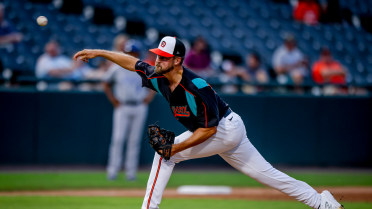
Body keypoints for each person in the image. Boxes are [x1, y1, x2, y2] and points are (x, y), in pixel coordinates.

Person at [74, 36, 344, 209]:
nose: (157, 60)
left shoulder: (195, 87)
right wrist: (98, 52)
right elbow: (132, 63)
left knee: (164, 155)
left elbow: (209, 129)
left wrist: (174, 149)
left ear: (177, 61)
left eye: (163, 57)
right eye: (157, 55)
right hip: (224, 130)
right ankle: (324, 203)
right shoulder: (159, 74)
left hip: (223, 130)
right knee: (270, 176)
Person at [104, 37, 156, 181]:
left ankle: (130, 173)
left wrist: (149, 97)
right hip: (123, 105)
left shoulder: (143, 67)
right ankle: (113, 171)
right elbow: (106, 83)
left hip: (139, 105)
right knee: (118, 139)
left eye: (133, 52)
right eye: (128, 52)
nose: (131, 55)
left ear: (137, 53)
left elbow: (155, 83)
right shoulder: (117, 67)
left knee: (134, 141)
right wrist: (113, 99)